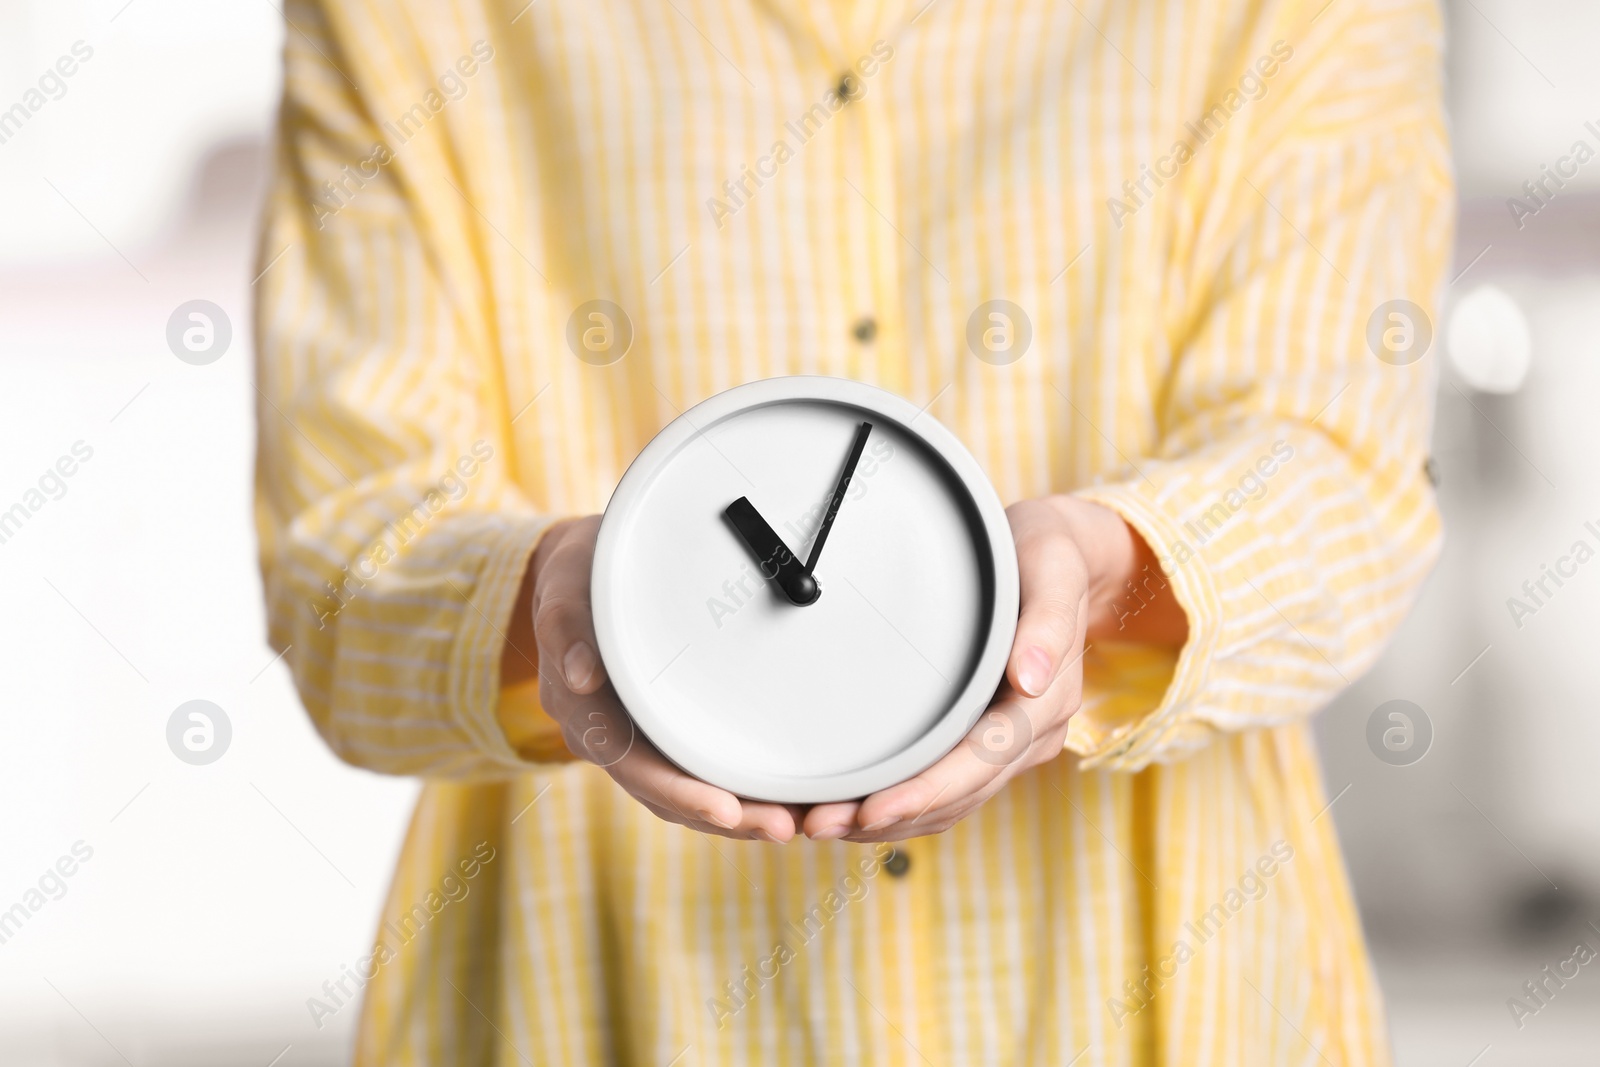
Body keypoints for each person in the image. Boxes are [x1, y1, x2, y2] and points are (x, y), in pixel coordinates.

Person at [254, 0, 1450, 1061]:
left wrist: (1118, 574)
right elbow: (338, 572)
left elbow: (1344, 476)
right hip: (598, 998)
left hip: (1165, 996)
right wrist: (557, 600)